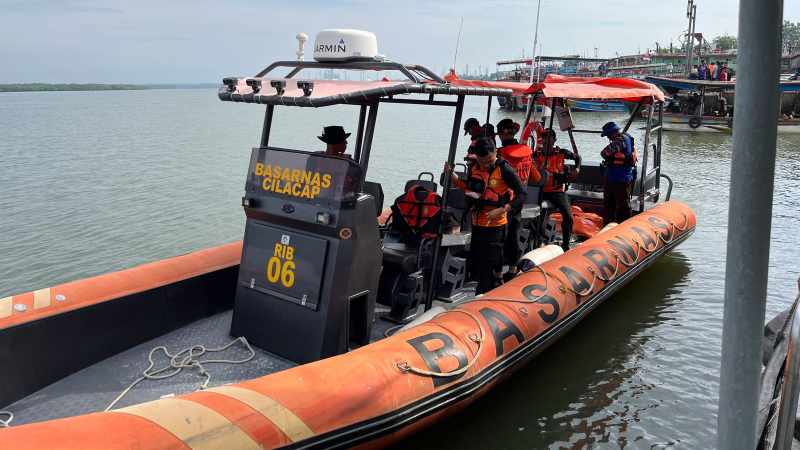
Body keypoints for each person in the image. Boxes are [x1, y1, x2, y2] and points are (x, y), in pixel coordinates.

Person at [445, 138, 526, 294]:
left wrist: (503, 209)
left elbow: (522, 194)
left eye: (489, 161)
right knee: (480, 260)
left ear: (495, 153)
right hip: (477, 222)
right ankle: (495, 278)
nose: (486, 165)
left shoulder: (505, 170)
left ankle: (483, 292)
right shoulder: (475, 167)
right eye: (483, 162)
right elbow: (468, 188)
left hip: (496, 224)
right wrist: (453, 176)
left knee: (487, 264)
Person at [496, 118, 541, 280]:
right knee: (513, 234)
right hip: (519, 201)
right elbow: (537, 178)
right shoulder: (527, 153)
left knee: (499, 237)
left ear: (501, 134)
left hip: (502, 200)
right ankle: (513, 268)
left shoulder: (499, 154)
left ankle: (497, 272)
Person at [533, 129, 580, 251]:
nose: (546, 141)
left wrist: (577, 169)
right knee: (535, 215)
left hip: (557, 191)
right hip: (541, 190)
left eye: (549, 138)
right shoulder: (535, 154)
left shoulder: (562, 153)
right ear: (541, 140)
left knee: (568, 216)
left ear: (554, 140)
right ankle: (537, 241)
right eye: (544, 138)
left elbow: (578, 157)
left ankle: (565, 244)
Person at [599, 122, 637, 225]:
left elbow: (604, 153)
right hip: (614, 177)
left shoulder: (620, 141)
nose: (608, 138)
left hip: (620, 178)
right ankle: (608, 226)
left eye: (608, 135)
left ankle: (623, 227)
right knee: (610, 204)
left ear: (612, 133)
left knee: (622, 206)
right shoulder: (626, 137)